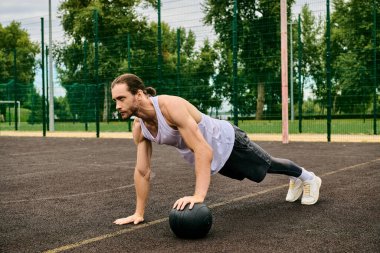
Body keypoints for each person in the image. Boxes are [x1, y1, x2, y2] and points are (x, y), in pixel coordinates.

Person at [111, 73, 322, 226]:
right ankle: (297, 178)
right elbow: (142, 171)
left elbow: (203, 149)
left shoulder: (169, 107)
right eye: (115, 101)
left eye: (121, 99)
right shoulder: (139, 127)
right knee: (260, 172)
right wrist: (138, 213)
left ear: (138, 94)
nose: (118, 105)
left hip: (228, 140)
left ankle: (308, 177)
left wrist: (198, 196)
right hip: (213, 156)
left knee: (269, 165)